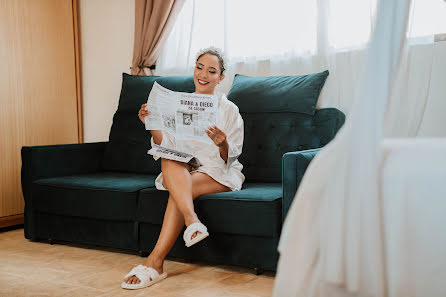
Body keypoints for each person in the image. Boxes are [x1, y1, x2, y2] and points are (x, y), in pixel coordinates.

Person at [122, 47, 245, 290]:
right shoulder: (180, 105)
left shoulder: (229, 110)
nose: (203, 75)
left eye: (212, 71)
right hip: (184, 167)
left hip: (217, 171)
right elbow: (165, 145)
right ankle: (192, 222)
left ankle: (155, 262)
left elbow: (231, 157)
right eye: (199, 67)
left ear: (221, 77)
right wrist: (150, 123)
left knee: (179, 191)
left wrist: (223, 143)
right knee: (169, 158)